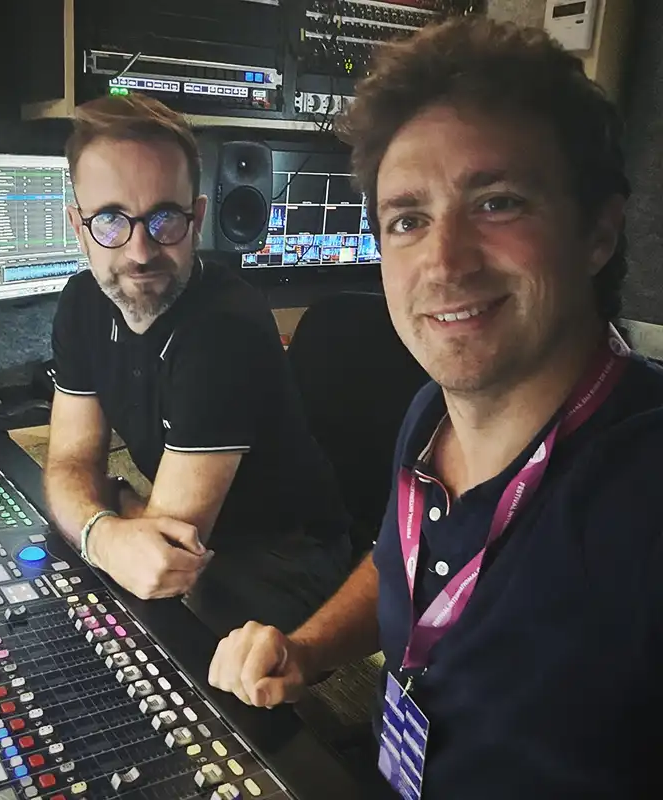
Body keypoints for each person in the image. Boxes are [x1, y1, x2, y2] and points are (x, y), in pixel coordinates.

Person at [208, 16, 663, 799]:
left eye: (498, 202)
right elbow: (399, 562)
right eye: (409, 220)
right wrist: (309, 650)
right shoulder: (430, 415)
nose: (444, 262)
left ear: (597, 231)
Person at [44, 93, 352, 637]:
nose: (140, 251)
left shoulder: (226, 328)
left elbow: (166, 559)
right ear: (77, 225)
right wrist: (105, 532)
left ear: (199, 218)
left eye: (165, 218)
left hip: (283, 561)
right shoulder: (82, 302)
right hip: (194, 542)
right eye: (111, 220)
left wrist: (109, 505)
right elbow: (68, 462)